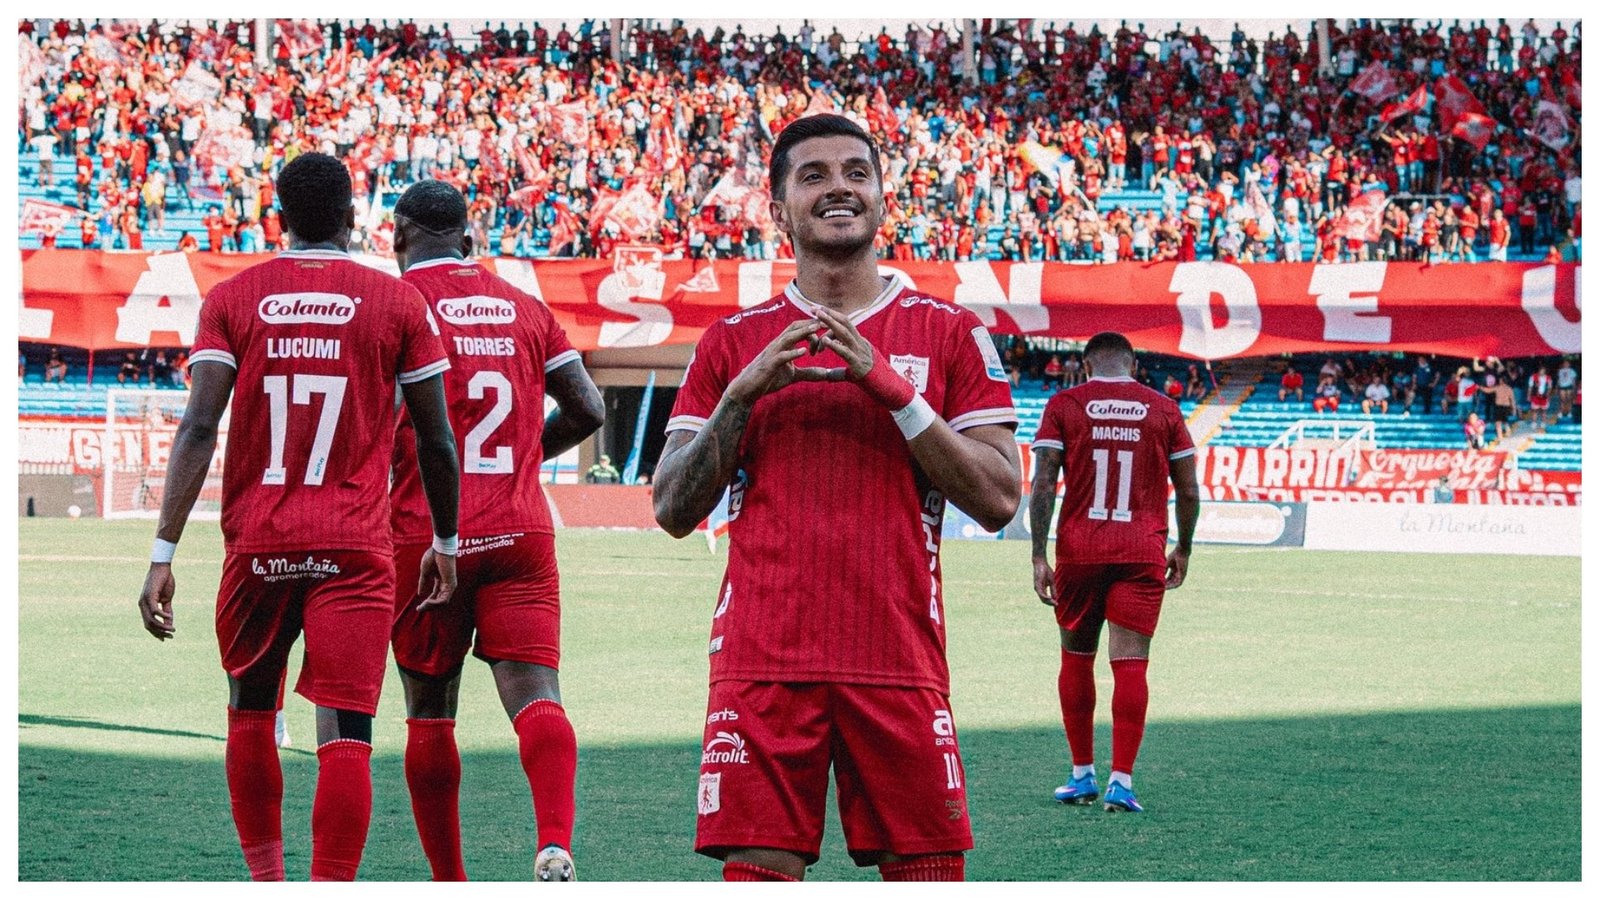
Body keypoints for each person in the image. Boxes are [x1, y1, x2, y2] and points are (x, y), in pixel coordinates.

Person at [652, 114, 1020, 882]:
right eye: (813, 175)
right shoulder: (732, 342)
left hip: (898, 659)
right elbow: (671, 509)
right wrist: (742, 397)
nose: (838, 188)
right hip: (761, 662)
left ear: (883, 198)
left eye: (857, 172)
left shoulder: (950, 333)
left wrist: (891, 388)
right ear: (778, 207)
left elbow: (998, 497)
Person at [134, 153, 462, 882]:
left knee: (251, 712)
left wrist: (163, 552)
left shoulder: (232, 298)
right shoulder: (397, 303)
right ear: (350, 218)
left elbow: (198, 426)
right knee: (346, 733)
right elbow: (436, 439)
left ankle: (268, 884)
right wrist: (445, 539)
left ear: (278, 218)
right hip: (355, 549)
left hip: (259, 544)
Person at [386, 181, 605, 882]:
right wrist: (524, 454)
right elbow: (589, 408)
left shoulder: (396, 305)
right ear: (468, 238)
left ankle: (450, 881)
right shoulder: (524, 306)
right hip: (519, 530)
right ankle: (555, 841)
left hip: (425, 534)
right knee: (538, 696)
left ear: (398, 236)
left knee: (429, 710)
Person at [1028, 331, 1200, 813]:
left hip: (1080, 550)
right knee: (1131, 662)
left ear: (1086, 367)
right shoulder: (1164, 409)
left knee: (1076, 658)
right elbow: (1188, 491)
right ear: (1133, 367)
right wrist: (1184, 547)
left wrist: (1038, 554)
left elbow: (1043, 484)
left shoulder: (1064, 404)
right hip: (1140, 550)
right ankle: (1121, 782)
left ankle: (1081, 774)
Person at [1526, 365, 1553, 430]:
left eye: (1543, 371)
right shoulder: (1533, 377)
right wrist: (1528, 396)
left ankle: (1543, 423)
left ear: (1545, 371)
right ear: (1538, 371)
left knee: (1544, 411)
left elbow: (1549, 388)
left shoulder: (1548, 378)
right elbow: (1530, 387)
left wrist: (1548, 396)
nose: (1542, 372)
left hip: (1544, 396)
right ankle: (1534, 423)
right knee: (1535, 410)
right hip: (1535, 396)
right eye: (1541, 371)